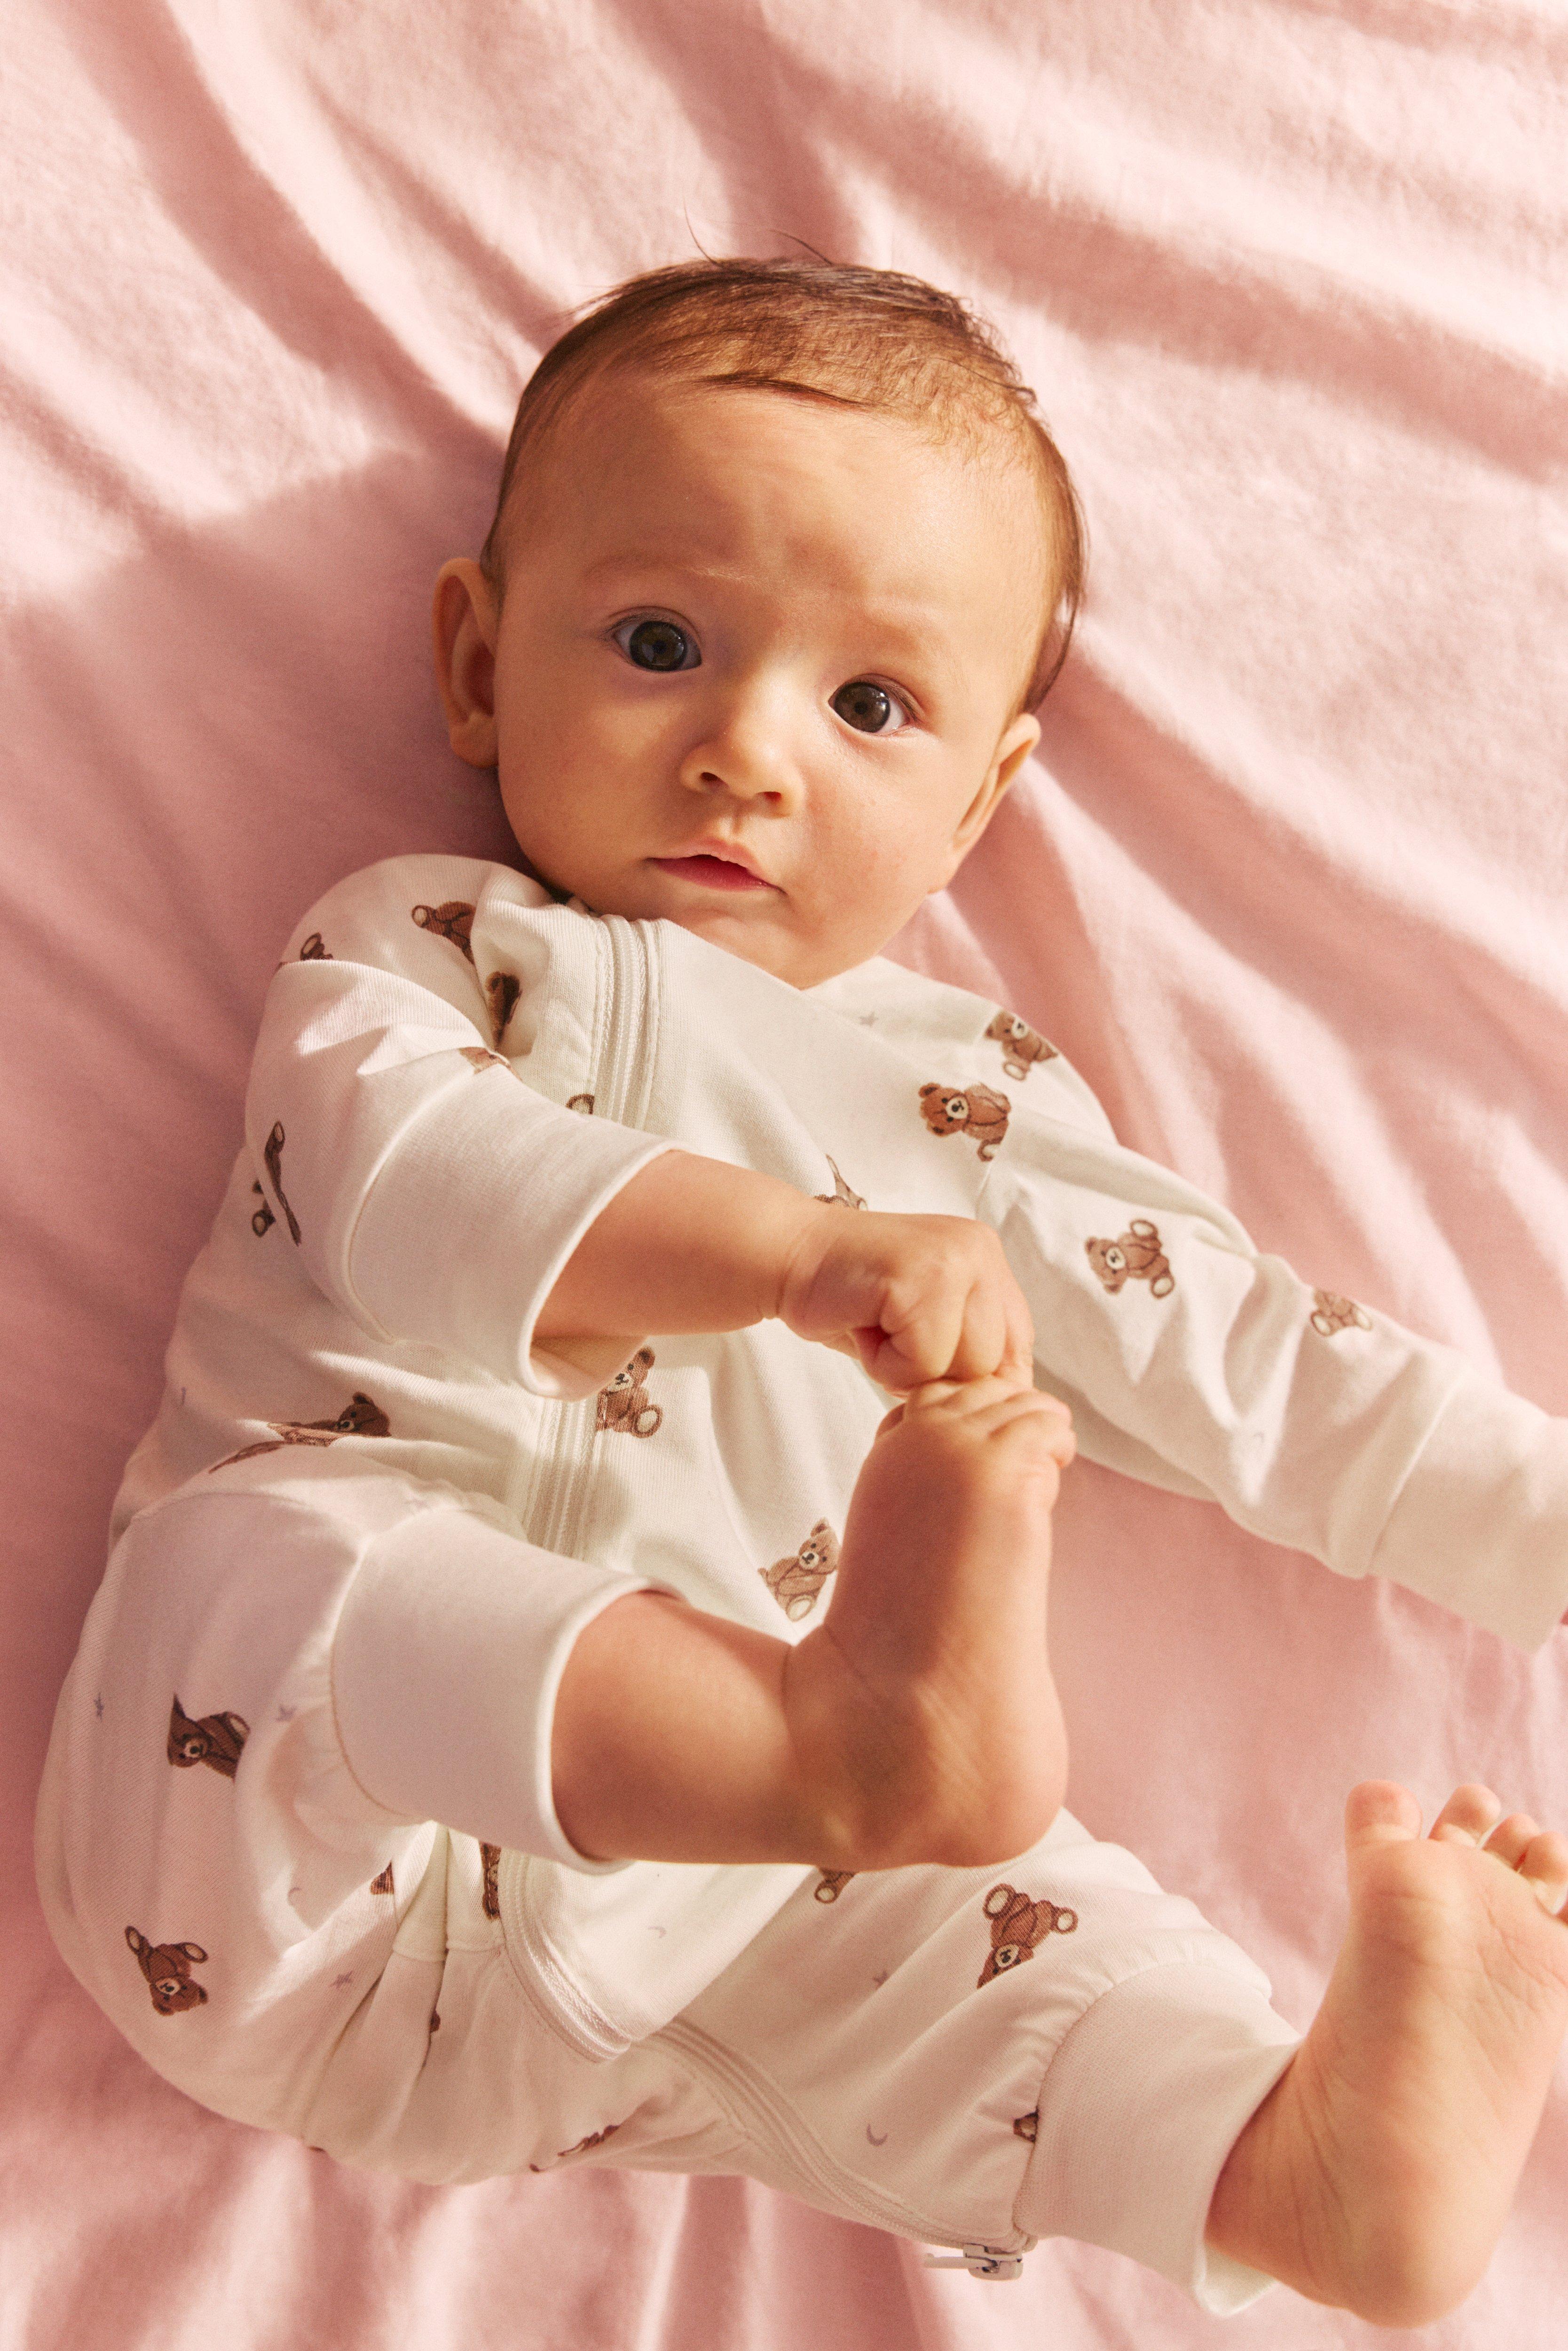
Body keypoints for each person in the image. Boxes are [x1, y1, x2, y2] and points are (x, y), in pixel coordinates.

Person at [35, 260, 1568, 2327]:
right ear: (477, 667)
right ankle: (820, 1735)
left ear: (984, 795)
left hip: (705, 1941)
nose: (746, 751)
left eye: (869, 706)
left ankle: (1295, 2166)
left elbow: (1274, 1371)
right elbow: (412, 1195)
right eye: (660, 644)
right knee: (274, 1556)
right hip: (255, 1865)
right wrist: (800, 1254)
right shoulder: (434, 950)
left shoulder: (973, 1103)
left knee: (1006, 1943)